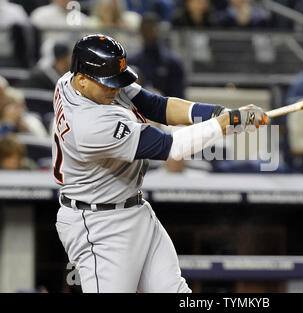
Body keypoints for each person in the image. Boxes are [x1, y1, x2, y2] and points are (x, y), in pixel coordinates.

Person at [53, 34, 269, 293]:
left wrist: (218, 114)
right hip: (98, 225)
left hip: (133, 209)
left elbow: (156, 106)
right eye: (107, 84)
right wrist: (223, 125)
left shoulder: (72, 82)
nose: (115, 89)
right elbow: (170, 147)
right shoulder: (89, 125)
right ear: (82, 80)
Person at [129, 13, 185, 98]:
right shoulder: (132, 62)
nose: (148, 33)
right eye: (144, 29)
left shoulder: (173, 62)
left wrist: (159, 101)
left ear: (158, 30)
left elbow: (179, 96)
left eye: (151, 29)